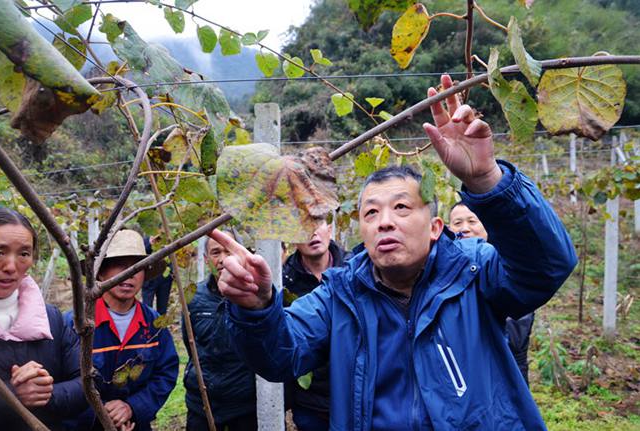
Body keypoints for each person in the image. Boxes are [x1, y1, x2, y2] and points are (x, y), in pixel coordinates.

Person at [208, 74, 578, 430]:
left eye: (401, 207)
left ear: (435, 228)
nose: (384, 221)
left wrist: (485, 180)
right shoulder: (340, 296)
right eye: (371, 212)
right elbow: (281, 355)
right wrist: (257, 309)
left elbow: (546, 266)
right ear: (362, 232)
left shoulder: (473, 272)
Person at [65, 229, 179, 431]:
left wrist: (132, 407)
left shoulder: (154, 325)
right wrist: (100, 414)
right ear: (100, 272)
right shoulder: (74, 325)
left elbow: (165, 373)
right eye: (119, 265)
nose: (129, 275)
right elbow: (61, 382)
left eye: (137, 267)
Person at [0, 206, 86, 430]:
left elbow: (88, 382)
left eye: (24, 253)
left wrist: (47, 392)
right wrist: (13, 394)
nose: (11, 267)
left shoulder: (51, 318)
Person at [448, 202, 535, 384]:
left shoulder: (504, 269)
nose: (465, 229)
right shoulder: (443, 271)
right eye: (457, 223)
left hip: (506, 376)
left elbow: (515, 337)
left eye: (472, 221)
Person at [183, 230, 256, 431]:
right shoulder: (194, 298)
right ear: (206, 260)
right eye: (215, 253)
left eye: (228, 251)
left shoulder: (255, 296)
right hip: (202, 404)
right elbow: (191, 344)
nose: (222, 259)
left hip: (245, 406)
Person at [282, 221, 348, 430]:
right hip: (310, 403)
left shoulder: (354, 270)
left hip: (353, 395)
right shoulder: (282, 281)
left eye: (318, 222)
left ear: (329, 228)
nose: (312, 232)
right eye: (303, 223)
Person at [142, 235, 172, 315]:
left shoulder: (168, 239)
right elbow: (141, 255)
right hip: (149, 280)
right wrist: (150, 243)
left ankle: (161, 327)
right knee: (147, 308)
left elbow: (172, 259)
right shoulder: (146, 240)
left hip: (165, 279)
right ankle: (147, 326)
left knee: (162, 309)